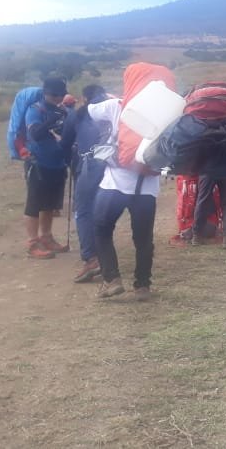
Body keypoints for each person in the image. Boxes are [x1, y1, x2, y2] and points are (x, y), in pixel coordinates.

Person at [88, 63, 172, 300]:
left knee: (102, 229)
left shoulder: (117, 105)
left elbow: (91, 110)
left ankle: (111, 278)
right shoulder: (168, 114)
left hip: (114, 185)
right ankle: (143, 285)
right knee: (143, 238)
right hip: (147, 188)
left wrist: (114, 98)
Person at [59, 84, 109, 282]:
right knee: (103, 210)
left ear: (84, 98)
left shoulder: (79, 114)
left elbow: (64, 144)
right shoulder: (115, 109)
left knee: (83, 211)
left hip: (89, 163)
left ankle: (91, 258)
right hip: (113, 164)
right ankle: (105, 255)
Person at [22, 77, 70, 259]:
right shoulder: (34, 110)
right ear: (45, 93)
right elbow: (35, 134)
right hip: (38, 163)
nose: (58, 97)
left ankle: (46, 237)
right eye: (54, 95)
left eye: (61, 94)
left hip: (57, 163)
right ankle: (33, 243)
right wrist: (51, 121)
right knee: (34, 203)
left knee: (50, 204)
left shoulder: (61, 110)